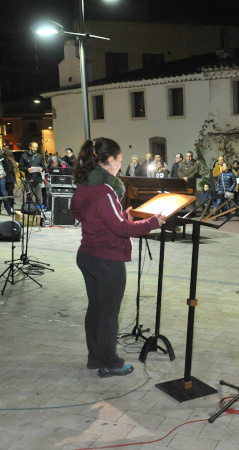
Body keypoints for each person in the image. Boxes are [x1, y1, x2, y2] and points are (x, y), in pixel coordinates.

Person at [71, 137, 164, 377]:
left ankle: (95, 358)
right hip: (106, 259)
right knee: (109, 313)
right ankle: (110, 362)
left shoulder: (86, 185)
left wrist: (122, 215)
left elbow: (100, 218)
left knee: (96, 309)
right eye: (119, 160)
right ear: (109, 160)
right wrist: (152, 222)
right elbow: (120, 230)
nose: (120, 166)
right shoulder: (105, 190)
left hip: (88, 255)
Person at [18, 141, 46, 207]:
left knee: (38, 196)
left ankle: (38, 209)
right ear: (30, 147)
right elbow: (20, 167)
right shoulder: (24, 156)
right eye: (33, 147)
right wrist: (27, 169)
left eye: (36, 147)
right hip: (28, 178)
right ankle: (30, 208)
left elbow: (44, 166)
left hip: (38, 178)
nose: (35, 149)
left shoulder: (39, 156)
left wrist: (42, 169)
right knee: (29, 195)